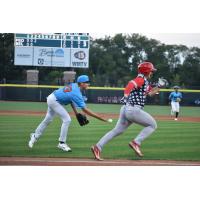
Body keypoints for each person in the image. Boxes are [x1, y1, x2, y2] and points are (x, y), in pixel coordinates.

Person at [91, 62, 167, 160]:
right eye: (151, 71)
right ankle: (136, 142)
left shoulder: (144, 81)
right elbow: (131, 84)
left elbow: (150, 93)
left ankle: (98, 147)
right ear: (147, 71)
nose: (152, 73)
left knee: (117, 131)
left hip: (126, 108)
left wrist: (159, 87)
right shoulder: (141, 79)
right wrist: (126, 96)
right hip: (134, 110)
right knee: (153, 125)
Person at [28, 75, 111, 152]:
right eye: (87, 83)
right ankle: (62, 143)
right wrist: (101, 118)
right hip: (54, 100)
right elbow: (85, 110)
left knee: (48, 120)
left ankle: (35, 135)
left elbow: (71, 100)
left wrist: (76, 113)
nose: (88, 84)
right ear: (81, 83)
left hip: (52, 97)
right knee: (67, 119)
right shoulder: (76, 93)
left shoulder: (74, 86)